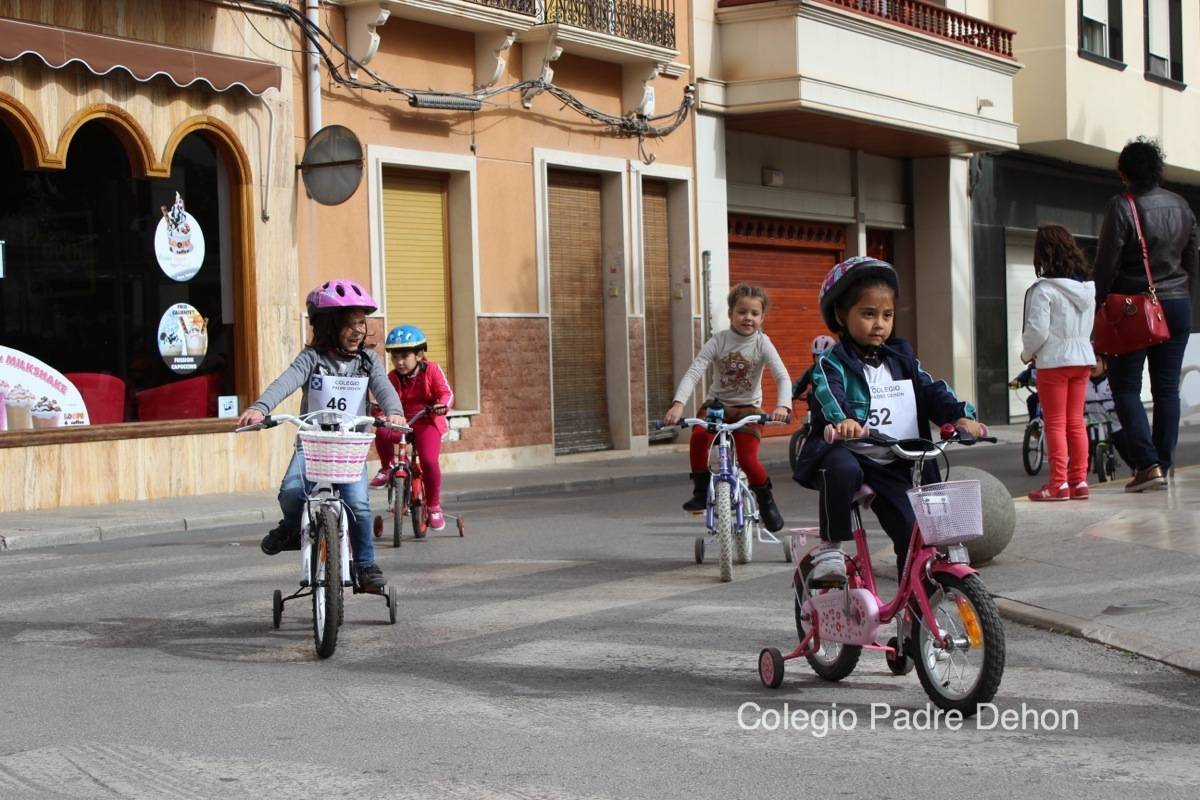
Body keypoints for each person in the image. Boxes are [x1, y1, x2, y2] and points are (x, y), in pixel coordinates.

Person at [792, 257, 984, 586]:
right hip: (852, 450)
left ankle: (913, 620)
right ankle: (831, 548)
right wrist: (846, 421)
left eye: (887, 315)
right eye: (868, 314)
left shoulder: (902, 359)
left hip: (894, 461)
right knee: (842, 468)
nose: (879, 324)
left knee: (914, 535)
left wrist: (960, 416)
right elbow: (829, 392)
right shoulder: (831, 362)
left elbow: (931, 388)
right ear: (841, 315)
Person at [237, 279, 404, 591]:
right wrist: (261, 407)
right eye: (349, 325)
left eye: (360, 323)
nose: (357, 331)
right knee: (291, 491)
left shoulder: (368, 361)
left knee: (358, 504)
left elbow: (385, 388)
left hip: (350, 447)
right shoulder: (311, 358)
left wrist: (394, 412)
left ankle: (365, 566)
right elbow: (285, 381)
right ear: (328, 326)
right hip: (312, 443)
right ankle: (290, 528)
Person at [1093, 137, 1198, 492]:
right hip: (1178, 302)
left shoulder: (1121, 206)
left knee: (1125, 387)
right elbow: (1193, 259)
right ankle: (1163, 464)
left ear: (1124, 172)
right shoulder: (1182, 205)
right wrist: (1185, 295)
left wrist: (1101, 301)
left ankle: (1146, 464)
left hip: (1133, 307)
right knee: (1167, 387)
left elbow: (1107, 260)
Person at [662, 284, 792, 532]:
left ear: (762, 317)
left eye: (755, 314)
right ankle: (701, 491)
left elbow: (782, 377)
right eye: (742, 311)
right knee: (699, 437)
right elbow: (695, 371)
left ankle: (766, 500)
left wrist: (782, 406)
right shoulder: (719, 340)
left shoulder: (763, 344)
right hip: (717, 405)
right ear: (731, 313)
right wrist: (678, 405)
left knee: (748, 459)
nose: (748, 318)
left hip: (748, 409)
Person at [1020, 225, 1097, 501]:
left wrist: (1027, 354)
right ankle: (1079, 482)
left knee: (1054, 423)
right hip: (1082, 358)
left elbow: (1037, 330)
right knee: (1076, 422)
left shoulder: (1044, 289)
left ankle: (1058, 484)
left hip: (1053, 361)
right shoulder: (1087, 288)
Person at [369, 324, 455, 531]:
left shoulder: (432, 370)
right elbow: (382, 400)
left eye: (404, 356)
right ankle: (387, 466)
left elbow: (447, 393)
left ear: (419, 355)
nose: (399, 362)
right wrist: (377, 411)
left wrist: (441, 406)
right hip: (401, 421)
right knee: (381, 431)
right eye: (395, 357)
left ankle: (434, 506)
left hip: (427, 420)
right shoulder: (391, 377)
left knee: (428, 461)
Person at [1085, 357, 1132, 472]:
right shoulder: (1083, 383)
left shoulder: (1112, 381)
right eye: (1090, 361)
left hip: (1114, 424)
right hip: (1092, 424)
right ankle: (1079, 478)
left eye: (1097, 361)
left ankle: (1137, 469)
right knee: (1084, 451)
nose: (1093, 365)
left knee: (1126, 447)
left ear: (1105, 364)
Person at [792, 334, 838, 403]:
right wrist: (787, 398)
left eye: (824, 356)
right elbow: (797, 387)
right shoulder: (811, 371)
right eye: (817, 356)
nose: (820, 359)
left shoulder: (839, 370)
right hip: (816, 410)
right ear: (814, 357)